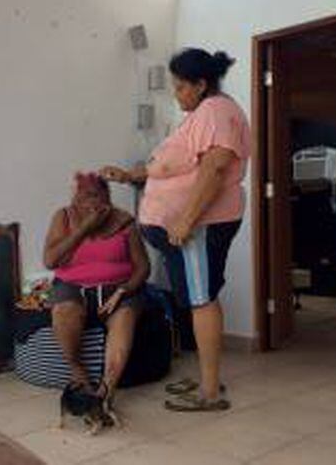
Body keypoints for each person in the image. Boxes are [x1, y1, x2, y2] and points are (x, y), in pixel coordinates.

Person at [101, 48, 250, 412]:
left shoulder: (216, 111)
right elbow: (176, 164)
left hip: (200, 226)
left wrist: (186, 220)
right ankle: (207, 379)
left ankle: (210, 393)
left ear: (201, 84)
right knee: (200, 297)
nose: (176, 94)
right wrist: (130, 175)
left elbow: (214, 169)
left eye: (181, 87)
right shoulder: (204, 113)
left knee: (201, 300)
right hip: (192, 227)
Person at [43, 172, 150, 404]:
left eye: (97, 196)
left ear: (107, 199)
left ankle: (106, 391)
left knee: (124, 318)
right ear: (76, 200)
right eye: (85, 197)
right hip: (72, 286)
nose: (92, 203)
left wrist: (124, 290)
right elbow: (50, 261)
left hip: (118, 287)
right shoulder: (63, 217)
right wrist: (83, 230)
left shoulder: (124, 221)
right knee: (64, 312)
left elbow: (143, 267)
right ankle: (78, 372)